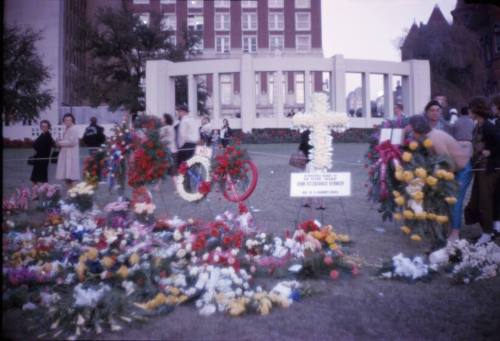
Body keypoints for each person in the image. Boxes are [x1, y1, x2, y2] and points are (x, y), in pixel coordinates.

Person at [408, 115, 470, 241]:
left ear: (417, 130)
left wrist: (434, 178)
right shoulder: (428, 136)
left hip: (462, 169)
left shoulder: (435, 139)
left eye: (411, 131)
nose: (411, 134)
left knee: (454, 201)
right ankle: (445, 228)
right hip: (452, 170)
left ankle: (455, 233)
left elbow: (446, 163)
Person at [466, 97, 500, 243]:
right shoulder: (478, 126)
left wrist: (490, 152)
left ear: (476, 110)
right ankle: (489, 229)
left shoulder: (488, 126)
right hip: (480, 168)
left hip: (488, 169)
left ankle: (487, 233)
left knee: (485, 201)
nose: (469, 111)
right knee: (478, 200)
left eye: (470, 108)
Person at [298, 129, 325, 210]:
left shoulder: (305, 135)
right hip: (318, 162)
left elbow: (301, 148)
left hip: (310, 162)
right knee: (317, 182)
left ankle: (313, 202)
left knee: (309, 182)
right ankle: (318, 203)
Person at [56, 113, 81, 188]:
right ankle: (70, 194)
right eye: (66, 120)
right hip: (66, 155)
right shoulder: (67, 129)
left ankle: (74, 195)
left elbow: (72, 142)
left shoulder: (74, 129)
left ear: (72, 120)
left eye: (69, 120)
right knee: (67, 177)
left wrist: (59, 143)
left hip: (71, 156)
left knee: (72, 176)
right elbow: (67, 141)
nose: (67, 122)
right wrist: (60, 141)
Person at [30, 120, 55, 186]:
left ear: (48, 127)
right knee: (35, 179)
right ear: (41, 127)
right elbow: (36, 145)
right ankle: (37, 194)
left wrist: (35, 146)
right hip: (38, 159)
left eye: (46, 126)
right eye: (43, 126)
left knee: (41, 179)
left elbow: (39, 147)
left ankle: (46, 193)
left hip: (42, 160)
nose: (44, 128)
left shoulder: (48, 136)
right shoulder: (42, 135)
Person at [158, 113, 178, 189]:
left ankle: (177, 187)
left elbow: (166, 140)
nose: (161, 119)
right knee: (164, 169)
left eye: (162, 118)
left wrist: (160, 140)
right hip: (172, 151)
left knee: (171, 170)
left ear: (166, 119)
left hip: (168, 151)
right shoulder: (171, 127)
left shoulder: (165, 128)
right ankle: (158, 186)